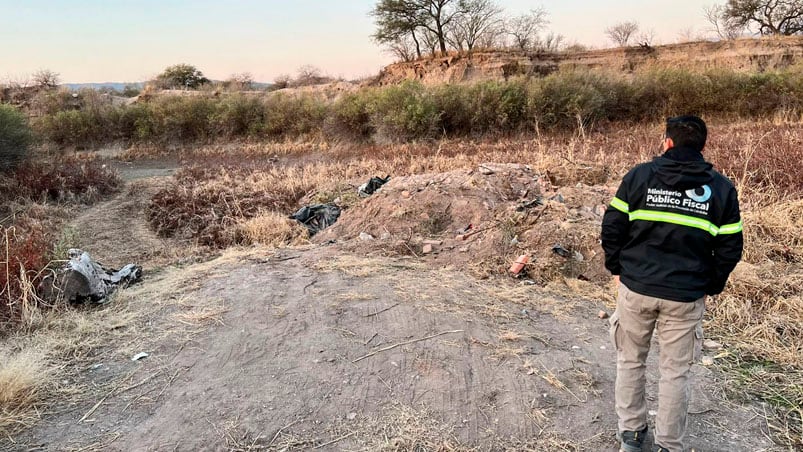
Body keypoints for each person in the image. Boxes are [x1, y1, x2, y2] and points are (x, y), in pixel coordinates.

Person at [601, 115, 743, 452]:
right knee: (675, 372)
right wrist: (711, 283)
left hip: (636, 290)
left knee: (630, 361)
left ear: (667, 142)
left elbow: (612, 228)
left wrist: (618, 268)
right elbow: (730, 247)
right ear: (701, 147)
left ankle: (632, 438)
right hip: (685, 297)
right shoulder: (721, 190)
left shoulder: (638, 177)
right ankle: (668, 445)